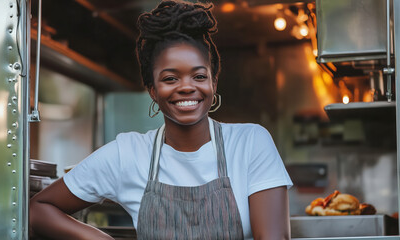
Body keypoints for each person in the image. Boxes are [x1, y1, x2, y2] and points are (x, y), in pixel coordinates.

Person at [29, 1, 293, 239]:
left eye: (199, 76)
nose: (187, 87)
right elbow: (39, 209)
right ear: (153, 90)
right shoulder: (128, 154)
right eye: (170, 78)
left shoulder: (250, 143)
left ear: (213, 83)